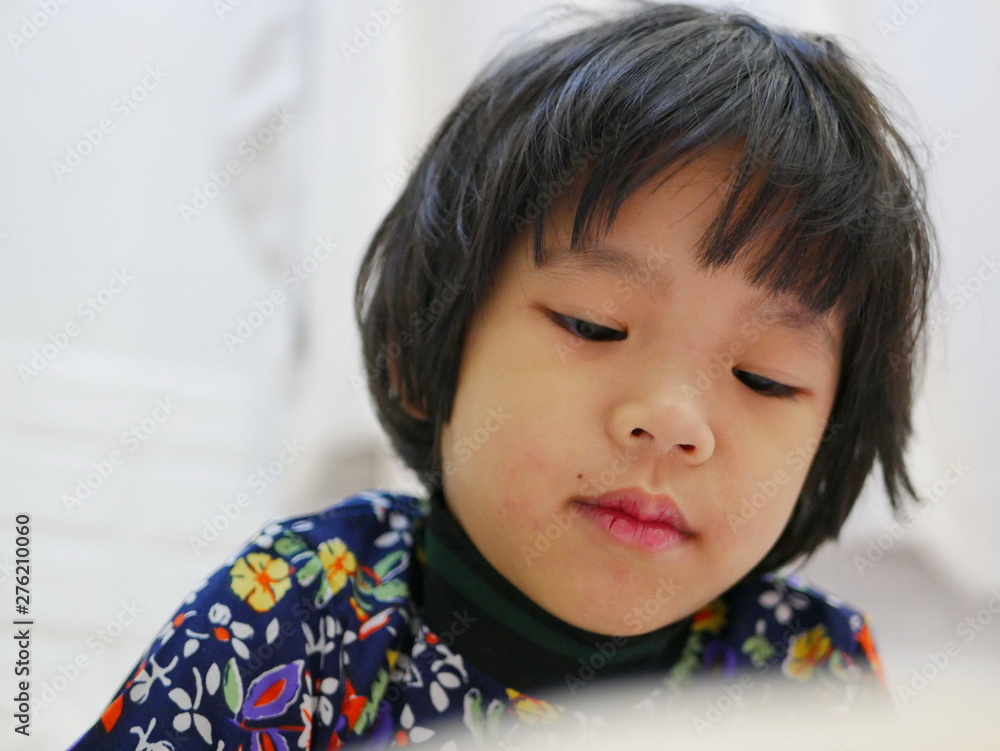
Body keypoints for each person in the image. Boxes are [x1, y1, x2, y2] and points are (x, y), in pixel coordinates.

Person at [66, 2, 935, 748]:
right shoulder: (297, 611)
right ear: (422, 352)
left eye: (765, 377)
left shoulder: (811, 676)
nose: (673, 420)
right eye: (595, 325)